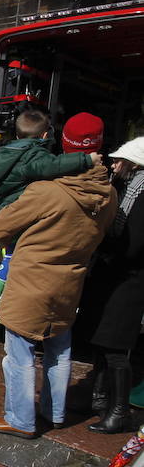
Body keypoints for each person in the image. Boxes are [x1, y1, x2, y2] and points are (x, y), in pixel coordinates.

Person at [0, 143, 116, 439]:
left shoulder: (47, 191)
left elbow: (1, 228)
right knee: (59, 351)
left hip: (31, 283)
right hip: (69, 284)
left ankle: (20, 420)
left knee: (19, 355)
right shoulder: (109, 195)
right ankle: (54, 413)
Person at [0, 110, 102, 321]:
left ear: (17, 135)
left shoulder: (4, 153)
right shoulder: (35, 156)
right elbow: (53, 165)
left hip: (7, 209)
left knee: (10, 256)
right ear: (45, 135)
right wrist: (86, 159)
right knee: (12, 260)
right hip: (22, 212)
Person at [77, 137, 144, 433]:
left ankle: (119, 411)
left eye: (120, 161)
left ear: (135, 164)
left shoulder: (141, 193)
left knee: (116, 347)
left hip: (128, 281)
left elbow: (134, 245)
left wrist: (105, 247)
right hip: (110, 276)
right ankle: (99, 397)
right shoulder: (126, 188)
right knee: (100, 341)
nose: (114, 165)